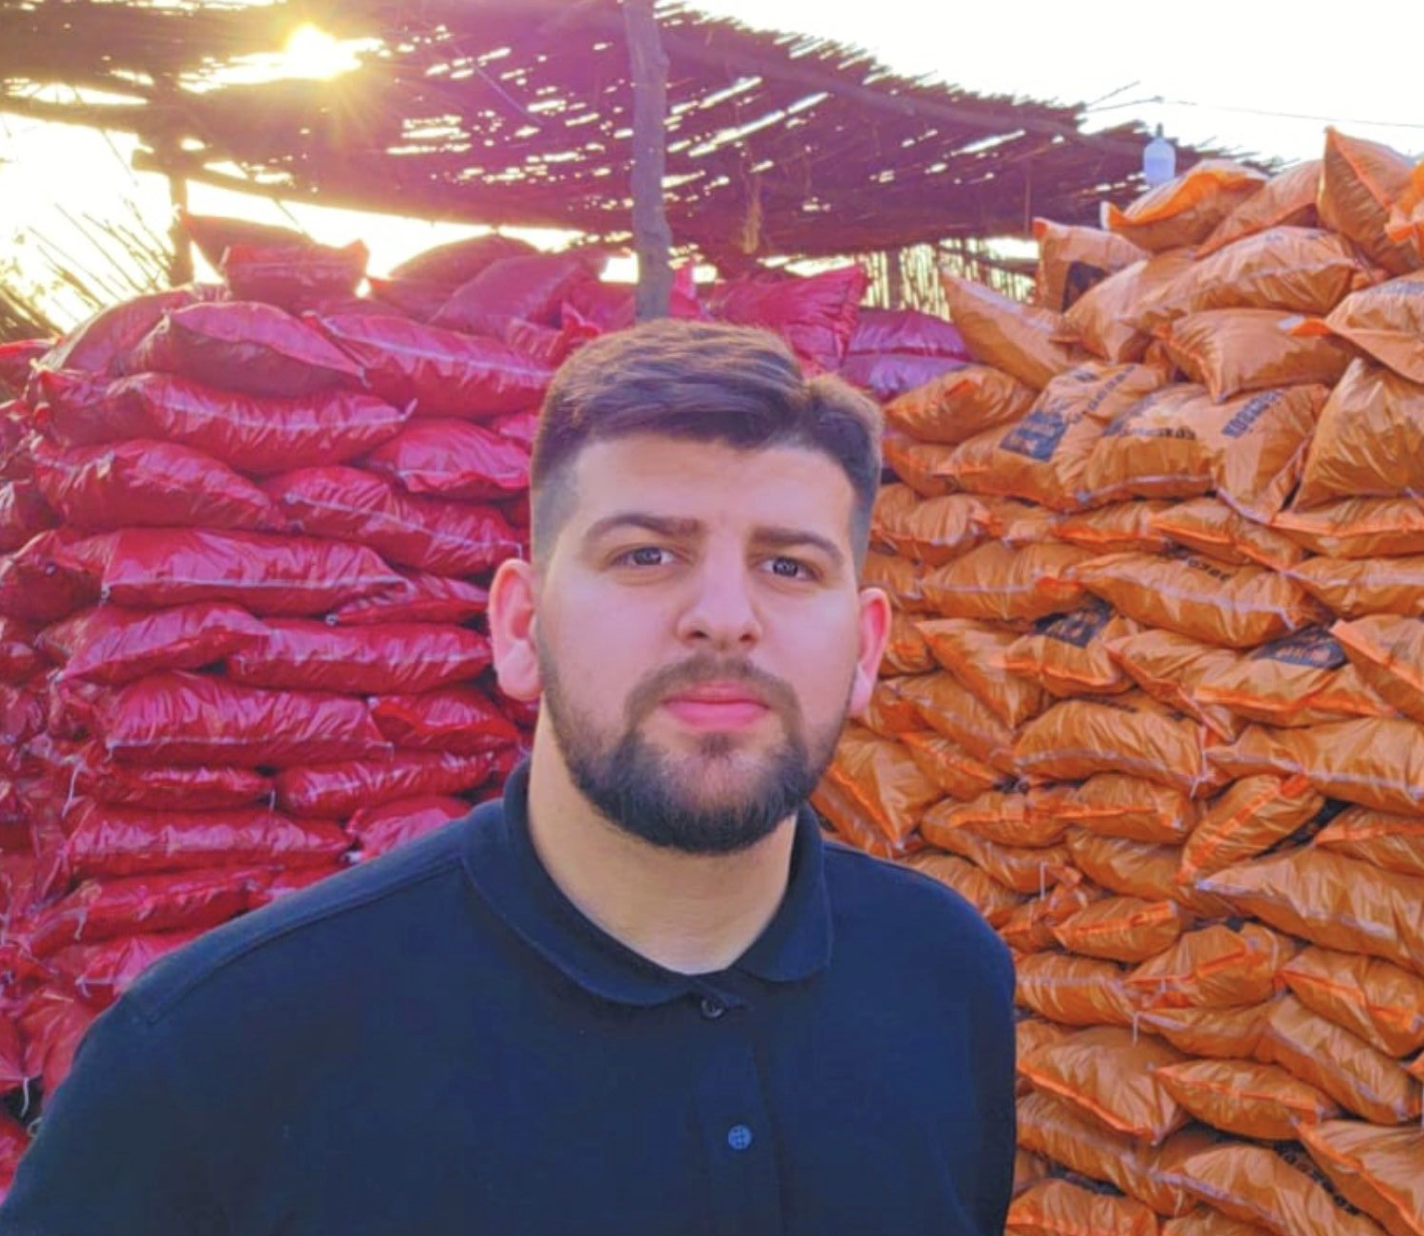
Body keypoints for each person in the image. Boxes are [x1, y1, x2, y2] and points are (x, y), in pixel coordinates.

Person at [0, 319, 1015, 1235]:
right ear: (520, 628)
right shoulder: (216, 1057)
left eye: (788, 566)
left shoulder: (944, 973)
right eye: (646, 555)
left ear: (865, 649)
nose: (722, 616)